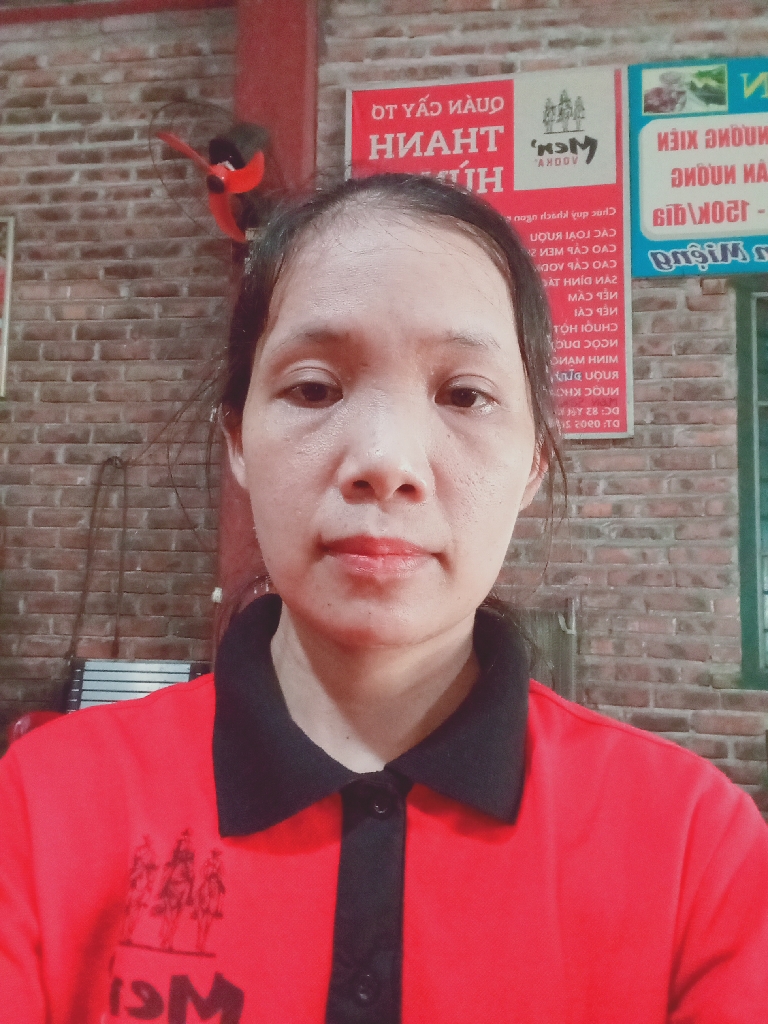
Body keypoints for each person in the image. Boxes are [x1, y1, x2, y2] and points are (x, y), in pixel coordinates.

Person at [1, 173, 767, 1024]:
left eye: (465, 394)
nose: (386, 461)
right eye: (314, 388)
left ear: (534, 464)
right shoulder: (41, 810)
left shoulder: (697, 850)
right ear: (239, 439)